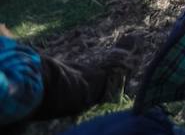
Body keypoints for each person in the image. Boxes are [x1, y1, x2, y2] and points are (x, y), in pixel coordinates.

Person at [0, 26, 135, 129]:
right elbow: (16, 90)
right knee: (59, 78)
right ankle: (107, 84)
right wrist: (10, 47)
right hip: (17, 89)